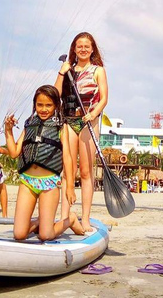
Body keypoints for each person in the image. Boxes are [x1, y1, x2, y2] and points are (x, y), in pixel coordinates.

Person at [3, 85, 84, 240]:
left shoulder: (61, 126)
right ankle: (41, 221)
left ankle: (70, 219)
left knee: (45, 235)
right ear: (35, 105)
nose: (44, 109)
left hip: (49, 183)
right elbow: (14, 152)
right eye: (40, 105)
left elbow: (67, 157)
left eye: (49, 105)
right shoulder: (29, 125)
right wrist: (8, 130)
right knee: (19, 234)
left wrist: (70, 187)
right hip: (27, 182)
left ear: (56, 106)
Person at [55, 32, 108, 232]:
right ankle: (63, 216)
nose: (83, 49)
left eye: (87, 46)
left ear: (92, 49)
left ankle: (85, 218)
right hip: (68, 120)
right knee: (68, 171)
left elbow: (103, 98)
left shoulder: (98, 70)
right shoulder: (68, 70)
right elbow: (56, 94)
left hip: (88, 122)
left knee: (86, 171)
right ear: (74, 49)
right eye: (79, 46)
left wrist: (93, 114)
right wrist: (61, 72)